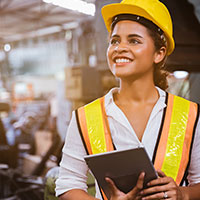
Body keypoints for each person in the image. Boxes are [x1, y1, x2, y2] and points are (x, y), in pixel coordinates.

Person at [55, 0, 200, 199]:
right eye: (115, 41)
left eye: (134, 40)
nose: (120, 48)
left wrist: (182, 193)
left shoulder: (190, 114)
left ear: (159, 53)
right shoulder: (85, 117)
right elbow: (67, 185)